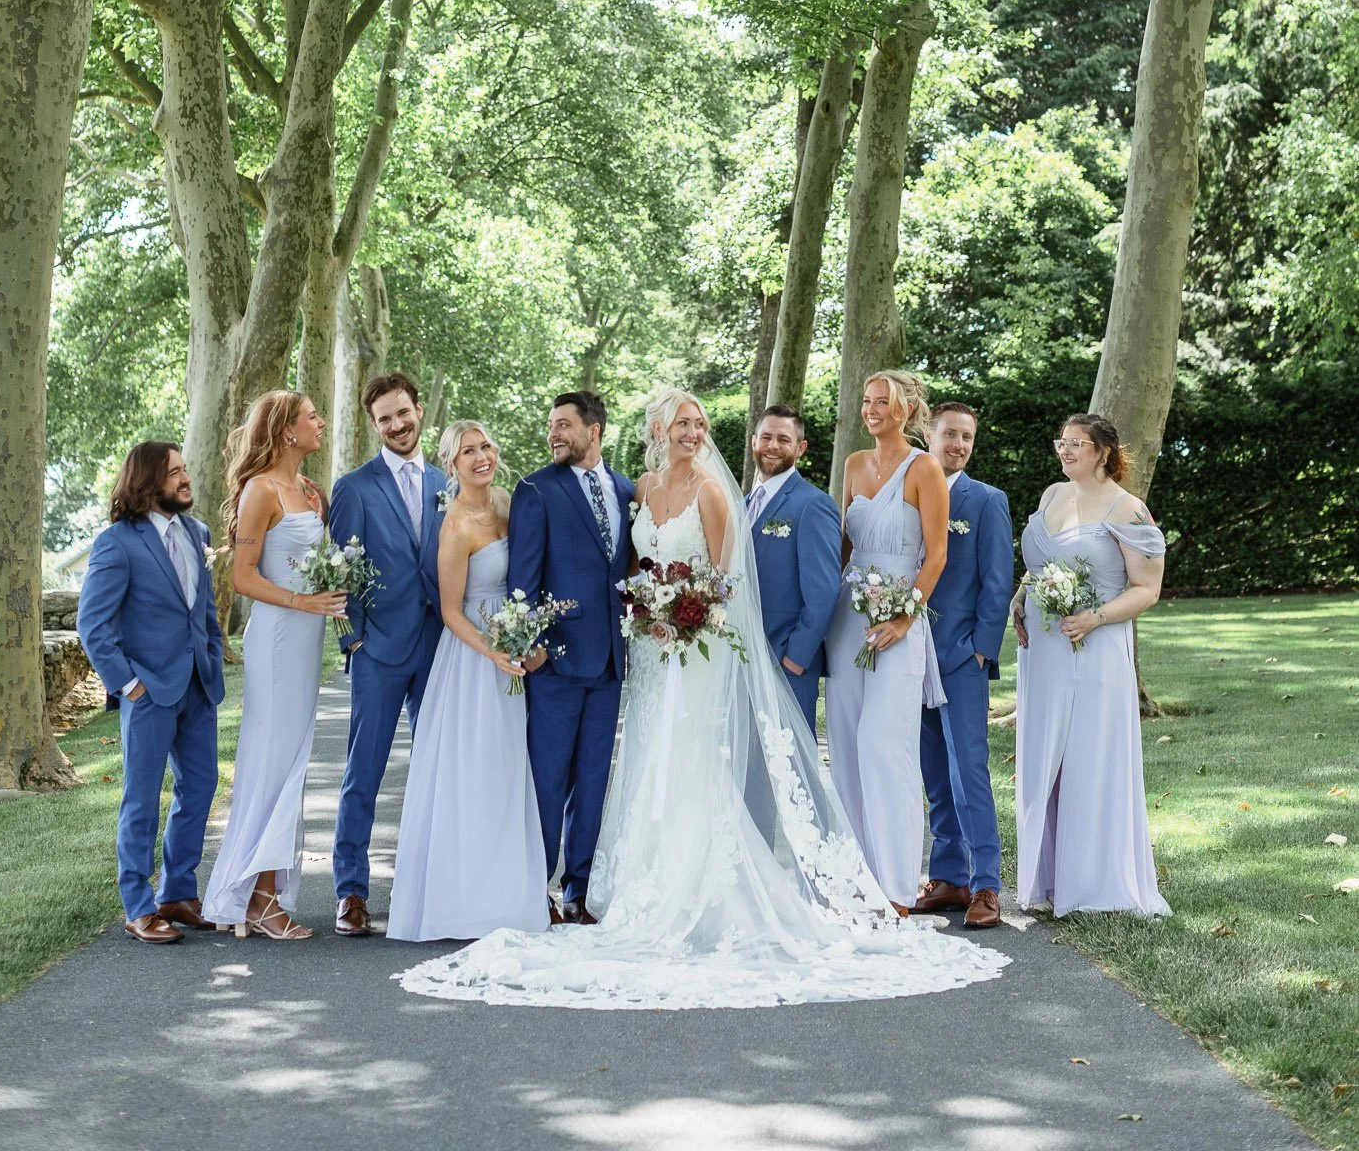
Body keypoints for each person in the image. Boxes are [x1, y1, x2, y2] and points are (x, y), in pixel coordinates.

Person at [392, 387, 1008, 1009]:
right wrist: (648, 609)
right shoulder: (640, 488)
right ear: (659, 430)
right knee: (646, 764)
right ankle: (618, 886)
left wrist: (687, 617)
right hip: (649, 654)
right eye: (682, 423)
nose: (692, 432)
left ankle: (703, 886)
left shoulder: (714, 493)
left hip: (694, 653)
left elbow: (725, 582)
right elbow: (632, 566)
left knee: (693, 763)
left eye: (699, 423)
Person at [387, 421, 549, 942]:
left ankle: (510, 890)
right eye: (468, 452)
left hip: (514, 646)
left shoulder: (505, 501)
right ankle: (467, 898)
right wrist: (495, 651)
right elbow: (451, 611)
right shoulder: (454, 526)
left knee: (510, 767)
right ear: (451, 465)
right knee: (477, 768)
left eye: (486, 447)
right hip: (476, 660)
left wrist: (527, 638)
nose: (482, 457)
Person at [1012, 411, 1169, 917]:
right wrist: (1022, 594)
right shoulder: (1052, 495)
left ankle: (1094, 883)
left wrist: (1096, 618)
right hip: (1044, 652)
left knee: (1089, 757)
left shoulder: (1128, 509)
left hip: (1095, 650)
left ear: (1104, 452)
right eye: (1061, 441)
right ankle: (1047, 878)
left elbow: (1147, 589)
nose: (1065, 449)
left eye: (1077, 443)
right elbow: (1039, 566)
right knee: (1046, 758)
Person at [202, 393, 346, 939]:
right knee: (273, 760)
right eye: (312, 416)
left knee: (293, 758)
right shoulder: (260, 490)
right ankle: (258, 899)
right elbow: (242, 577)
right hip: (279, 637)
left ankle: (256, 893)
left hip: (308, 639)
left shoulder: (311, 491)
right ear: (287, 429)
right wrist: (303, 602)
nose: (320, 422)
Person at [77, 441, 225, 944]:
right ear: (147, 481)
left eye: (185, 468)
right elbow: (92, 626)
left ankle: (178, 892)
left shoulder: (198, 533)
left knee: (199, 788)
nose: (186, 478)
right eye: (174, 472)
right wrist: (129, 684)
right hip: (147, 691)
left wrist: (213, 654)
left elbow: (203, 611)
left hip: (198, 685)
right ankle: (138, 906)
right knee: (141, 798)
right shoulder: (117, 543)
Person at [503, 390, 635, 924]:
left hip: (610, 660)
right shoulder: (536, 489)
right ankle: (536, 890)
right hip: (555, 660)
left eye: (563, 425)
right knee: (548, 780)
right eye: (551, 425)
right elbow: (522, 577)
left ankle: (579, 891)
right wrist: (530, 644)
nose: (553, 434)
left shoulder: (626, 490)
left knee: (593, 781)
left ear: (593, 430)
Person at [826, 370, 949, 915]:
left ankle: (897, 886)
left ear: (908, 409)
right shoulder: (853, 464)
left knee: (884, 743)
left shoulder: (925, 469)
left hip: (899, 618)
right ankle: (857, 878)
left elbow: (936, 555)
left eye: (883, 401)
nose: (871, 409)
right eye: (867, 400)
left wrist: (903, 617)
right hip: (847, 617)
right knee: (847, 745)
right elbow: (842, 544)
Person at [329, 371, 447, 935]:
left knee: (437, 768)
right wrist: (353, 639)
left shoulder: (446, 482)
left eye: (403, 413)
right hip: (378, 648)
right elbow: (338, 569)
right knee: (364, 772)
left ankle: (427, 884)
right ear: (373, 425)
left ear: (419, 410)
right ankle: (351, 892)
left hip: (439, 645)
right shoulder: (354, 487)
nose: (397, 425)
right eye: (385, 419)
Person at [914, 401, 1012, 931]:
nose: (958, 444)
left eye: (967, 437)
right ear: (929, 435)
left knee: (968, 769)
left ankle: (986, 883)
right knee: (933, 770)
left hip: (960, 655)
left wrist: (980, 649)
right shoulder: (910, 492)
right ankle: (948, 876)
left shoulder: (987, 500)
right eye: (950, 434)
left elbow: (998, 581)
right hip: (911, 653)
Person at [745, 404, 841, 732]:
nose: (773, 446)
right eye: (766, 437)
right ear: (754, 441)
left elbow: (824, 594)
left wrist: (796, 658)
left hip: (787, 664)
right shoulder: (742, 505)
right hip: (743, 661)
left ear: (800, 448)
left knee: (787, 760)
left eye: (783, 440)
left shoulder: (814, 505)